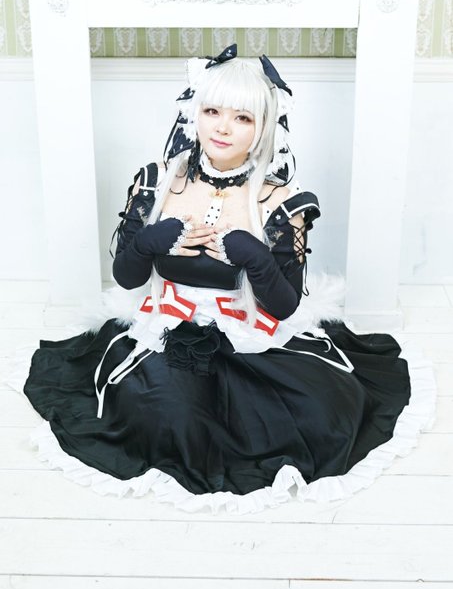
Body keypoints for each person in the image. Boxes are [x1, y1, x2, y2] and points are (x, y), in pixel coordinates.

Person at [22, 45, 434, 513]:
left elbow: (284, 305)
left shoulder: (280, 200)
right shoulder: (158, 181)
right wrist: (149, 242)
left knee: (317, 412)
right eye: (212, 111)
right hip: (167, 328)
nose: (222, 127)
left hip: (249, 332)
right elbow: (127, 277)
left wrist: (255, 255)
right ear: (193, 113)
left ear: (265, 127)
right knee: (168, 420)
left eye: (242, 118)